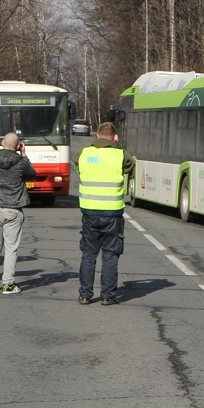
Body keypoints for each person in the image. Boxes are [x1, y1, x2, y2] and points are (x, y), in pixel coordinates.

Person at [76, 121, 134, 305]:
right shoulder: (121, 154)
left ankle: (85, 295)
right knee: (110, 255)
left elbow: (79, 164)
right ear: (115, 137)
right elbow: (130, 166)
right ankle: (108, 296)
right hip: (112, 214)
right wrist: (116, 145)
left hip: (89, 212)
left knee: (88, 254)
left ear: (97, 135)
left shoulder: (84, 153)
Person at [0, 132, 36, 294]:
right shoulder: (21, 162)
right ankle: (8, 283)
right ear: (18, 145)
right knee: (11, 248)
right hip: (13, 208)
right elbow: (32, 175)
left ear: (2, 142)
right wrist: (24, 154)